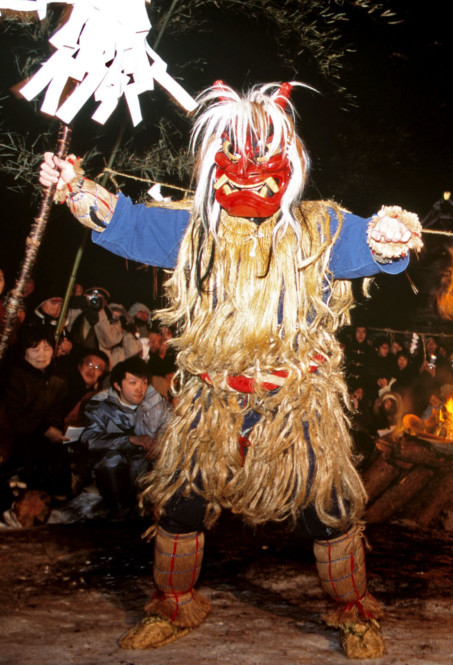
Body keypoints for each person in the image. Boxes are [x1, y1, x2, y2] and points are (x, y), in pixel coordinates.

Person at [39, 81, 422, 657]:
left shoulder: (318, 229)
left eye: (261, 158)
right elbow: (128, 225)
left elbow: (372, 249)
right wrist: (74, 186)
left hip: (296, 404)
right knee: (180, 505)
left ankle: (355, 612)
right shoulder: (194, 229)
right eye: (233, 156)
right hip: (212, 402)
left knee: (329, 511)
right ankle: (173, 605)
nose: (246, 173)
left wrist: (389, 236)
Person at [80, 356, 170, 520]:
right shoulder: (101, 406)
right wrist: (127, 440)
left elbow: (172, 429)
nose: (139, 389)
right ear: (117, 385)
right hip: (117, 472)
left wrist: (161, 444)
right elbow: (89, 440)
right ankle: (119, 512)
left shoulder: (157, 404)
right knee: (110, 459)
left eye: (144, 383)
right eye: (132, 383)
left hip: (147, 469)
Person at [0, 327, 70, 511]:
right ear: (24, 351)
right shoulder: (14, 376)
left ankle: (57, 502)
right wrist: (45, 429)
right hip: (15, 435)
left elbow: (56, 410)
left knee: (59, 451)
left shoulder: (57, 377)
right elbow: (15, 418)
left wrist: (54, 427)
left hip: (41, 431)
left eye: (47, 348)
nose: (42, 355)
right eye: (35, 349)